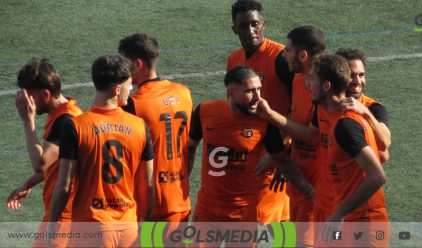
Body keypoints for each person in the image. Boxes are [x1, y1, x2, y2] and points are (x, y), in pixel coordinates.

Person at [258, 55, 389, 247]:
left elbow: (377, 175)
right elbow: (310, 136)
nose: (307, 83)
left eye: (311, 79)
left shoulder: (346, 125)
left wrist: (339, 213)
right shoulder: (324, 113)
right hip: (338, 217)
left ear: (326, 86)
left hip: (362, 224)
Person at [46, 55, 154, 247]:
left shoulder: (76, 126)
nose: (131, 88)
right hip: (128, 230)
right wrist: (146, 220)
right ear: (117, 88)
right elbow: (148, 183)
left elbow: (64, 186)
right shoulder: (140, 127)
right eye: (129, 84)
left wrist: (52, 225)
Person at [188, 66, 313, 224]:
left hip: (244, 213)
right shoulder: (204, 111)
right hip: (208, 210)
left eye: (259, 89)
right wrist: (181, 180)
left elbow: (283, 162)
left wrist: (310, 192)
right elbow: (190, 147)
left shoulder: (265, 122)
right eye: (250, 91)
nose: (257, 97)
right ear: (231, 94)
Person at [227, 0, 293, 224]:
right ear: (234, 29)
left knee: (260, 220)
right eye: (243, 26)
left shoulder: (281, 59)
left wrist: (281, 153)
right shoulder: (234, 60)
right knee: (280, 219)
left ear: (264, 24)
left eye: (255, 24)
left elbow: (302, 106)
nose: (250, 30)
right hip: (250, 151)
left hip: (277, 152)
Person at [6, 58, 82, 247]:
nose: (25, 102)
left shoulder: (66, 121)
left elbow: (41, 163)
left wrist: (27, 121)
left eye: (29, 97)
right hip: (63, 214)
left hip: (63, 216)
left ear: (46, 94)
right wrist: (28, 183)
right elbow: (57, 161)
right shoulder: (64, 114)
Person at [118, 33, 193, 223]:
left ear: (138, 64)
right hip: (180, 199)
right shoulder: (183, 92)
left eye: (125, 64)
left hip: (150, 205)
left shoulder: (133, 104)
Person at [281, 25, 326, 247]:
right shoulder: (298, 79)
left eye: (288, 50)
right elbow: (294, 117)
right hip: (297, 182)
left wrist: (269, 114)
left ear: (303, 55)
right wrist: (279, 154)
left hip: (315, 189)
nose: (283, 55)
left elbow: (312, 136)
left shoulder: (323, 89)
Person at [336, 48, 391, 163]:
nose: (358, 81)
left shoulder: (374, 108)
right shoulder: (325, 104)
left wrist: (365, 112)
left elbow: (385, 143)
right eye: (352, 75)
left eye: (361, 75)